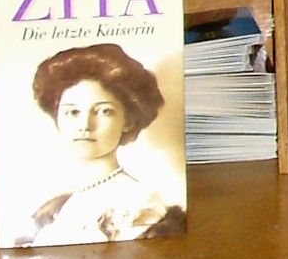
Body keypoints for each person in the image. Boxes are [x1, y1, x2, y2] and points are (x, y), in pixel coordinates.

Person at [28, 42, 183, 244]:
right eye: (72, 112)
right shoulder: (60, 201)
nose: (85, 125)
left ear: (127, 121)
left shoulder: (138, 201)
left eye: (104, 111)